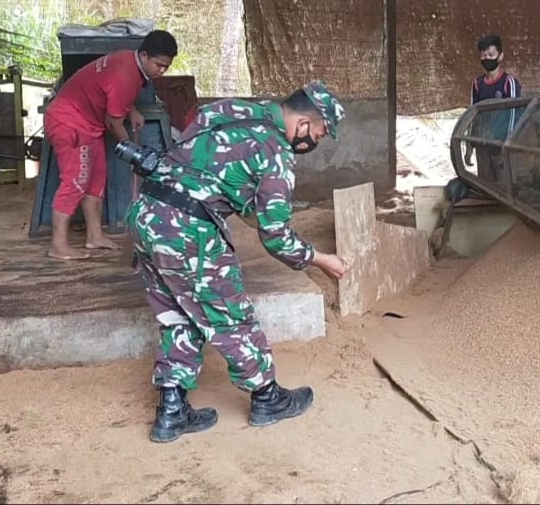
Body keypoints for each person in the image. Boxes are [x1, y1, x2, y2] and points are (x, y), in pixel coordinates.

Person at [125, 80, 350, 443]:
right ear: (305, 124)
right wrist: (320, 259)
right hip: (188, 229)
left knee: (178, 312)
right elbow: (275, 234)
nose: (315, 142)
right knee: (232, 317)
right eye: (320, 134)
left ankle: (171, 411)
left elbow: (185, 150)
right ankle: (267, 397)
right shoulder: (275, 151)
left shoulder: (230, 110)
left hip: (146, 214)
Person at [43, 29, 178, 260]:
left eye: (166, 66)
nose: (162, 71)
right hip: (71, 123)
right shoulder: (125, 75)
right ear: (144, 55)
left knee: (96, 182)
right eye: (158, 65)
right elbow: (113, 121)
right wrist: (132, 150)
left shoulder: (129, 61)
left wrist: (132, 111)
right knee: (75, 182)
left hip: (88, 125)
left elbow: (113, 93)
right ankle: (58, 246)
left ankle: (94, 237)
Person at [463, 34, 525, 183]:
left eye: (491, 54)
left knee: (505, 188)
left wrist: (508, 144)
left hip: (501, 145)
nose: (487, 59)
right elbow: (473, 114)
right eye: (483, 55)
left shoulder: (509, 82)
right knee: (486, 186)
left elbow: (513, 114)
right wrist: (470, 144)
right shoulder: (477, 84)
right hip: (482, 145)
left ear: (500, 56)